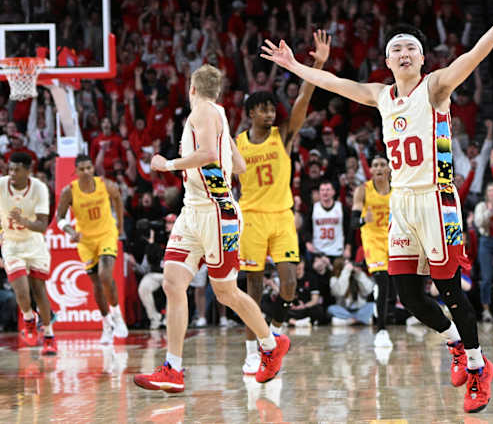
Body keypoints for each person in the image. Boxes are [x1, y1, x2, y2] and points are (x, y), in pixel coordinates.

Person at [260, 0, 493, 413]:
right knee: (406, 292)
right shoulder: (381, 95)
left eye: (411, 48)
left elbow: (476, 55)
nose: (404, 54)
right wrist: (294, 67)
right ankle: (456, 344)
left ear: (422, 59)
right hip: (401, 203)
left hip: (435, 199)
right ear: (387, 60)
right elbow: (334, 84)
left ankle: (479, 369)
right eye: (396, 49)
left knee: (447, 289)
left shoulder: (436, 86)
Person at [133, 64, 289, 393]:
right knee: (174, 281)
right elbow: (241, 166)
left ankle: (271, 345)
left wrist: (168, 164)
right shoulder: (219, 116)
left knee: (225, 292)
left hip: (217, 213)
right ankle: (172, 369)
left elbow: (205, 154)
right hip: (194, 211)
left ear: (192, 88)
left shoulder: (203, 112)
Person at [237, 30, 330, 375]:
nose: (270, 113)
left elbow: (304, 98)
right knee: (254, 287)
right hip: (251, 219)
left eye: (271, 108)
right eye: (262, 109)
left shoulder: (284, 136)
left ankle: (272, 333)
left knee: (289, 285)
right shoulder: (238, 144)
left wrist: (317, 63)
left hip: (282, 218)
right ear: (250, 114)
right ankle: (251, 351)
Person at [56, 154, 129, 344]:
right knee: (96, 284)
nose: (87, 171)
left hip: (106, 234)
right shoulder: (69, 192)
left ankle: (117, 315)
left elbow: (118, 199)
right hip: (85, 240)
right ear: (76, 171)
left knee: (106, 275)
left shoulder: (105, 184)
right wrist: (70, 230)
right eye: (82, 169)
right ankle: (106, 325)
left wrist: (120, 226)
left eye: (89, 167)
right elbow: (60, 218)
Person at [0, 152, 56, 355]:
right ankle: (29, 319)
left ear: (28, 170)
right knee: (21, 290)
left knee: (39, 290)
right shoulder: (1, 185)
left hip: (34, 243)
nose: (12, 173)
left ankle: (49, 335)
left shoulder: (39, 188)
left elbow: (42, 225)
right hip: (11, 243)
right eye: (10, 168)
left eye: (16, 169)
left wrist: (24, 221)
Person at [352, 155, 393, 347]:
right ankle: (381, 329)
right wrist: (362, 220)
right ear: (370, 170)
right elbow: (352, 222)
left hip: (394, 238)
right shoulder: (363, 191)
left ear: (389, 169)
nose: (378, 168)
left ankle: (383, 309)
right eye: (375, 165)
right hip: (373, 240)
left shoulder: (397, 190)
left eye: (382, 165)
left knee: (398, 284)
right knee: (383, 281)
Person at [473, 182, 493, 322]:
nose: (492, 193)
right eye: (490, 191)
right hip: (486, 241)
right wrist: (489, 211)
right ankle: (486, 310)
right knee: (486, 278)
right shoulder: (481, 206)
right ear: (486, 193)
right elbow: (478, 223)